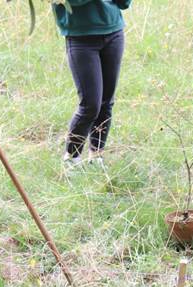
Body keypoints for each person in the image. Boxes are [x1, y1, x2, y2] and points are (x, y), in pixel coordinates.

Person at [53, 0, 131, 171]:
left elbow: (124, 3)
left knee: (106, 102)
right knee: (90, 105)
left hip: (114, 32)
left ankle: (96, 156)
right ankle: (71, 158)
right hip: (80, 37)